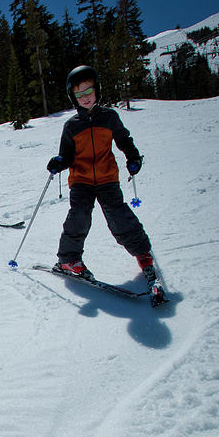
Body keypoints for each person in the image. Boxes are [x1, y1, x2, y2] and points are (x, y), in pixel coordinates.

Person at [47, 65, 160, 287]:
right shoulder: (71, 126)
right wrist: (59, 162)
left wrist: (133, 157)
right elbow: (67, 155)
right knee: (79, 215)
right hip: (81, 179)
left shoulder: (109, 117)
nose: (85, 98)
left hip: (107, 177)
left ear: (97, 90)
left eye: (88, 91)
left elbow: (124, 140)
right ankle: (69, 259)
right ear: (73, 97)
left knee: (119, 215)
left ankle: (142, 253)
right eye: (79, 94)